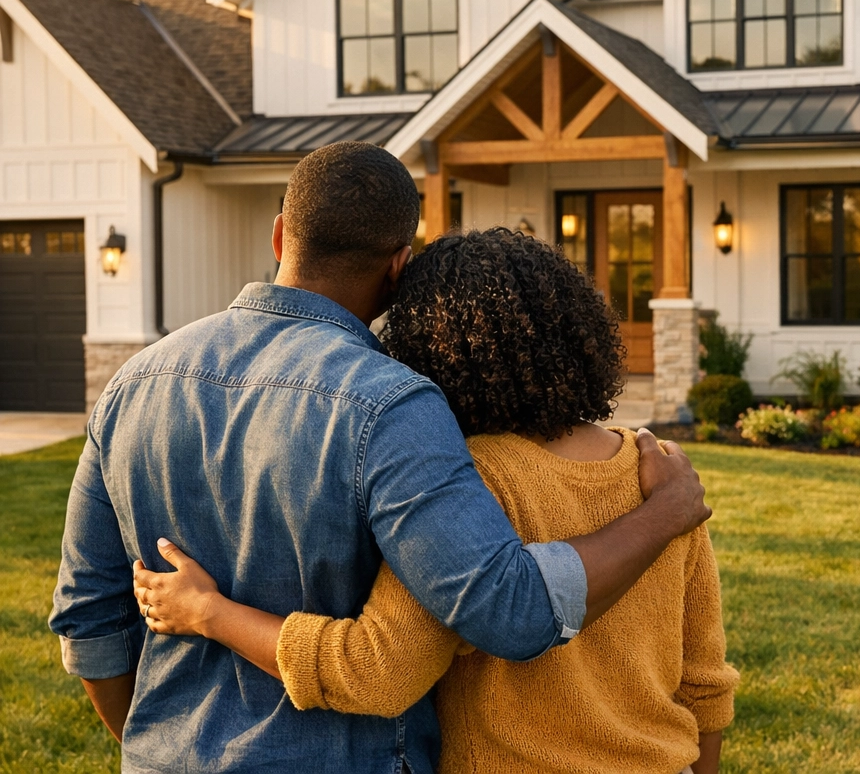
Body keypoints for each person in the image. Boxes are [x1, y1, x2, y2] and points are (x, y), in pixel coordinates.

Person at [50, 142, 711, 774]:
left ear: (280, 236)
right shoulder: (392, 406)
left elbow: (90, 618)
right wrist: (666, 511)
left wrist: (163, 743)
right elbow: (510, 611)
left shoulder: (131, 384)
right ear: (398, 267)